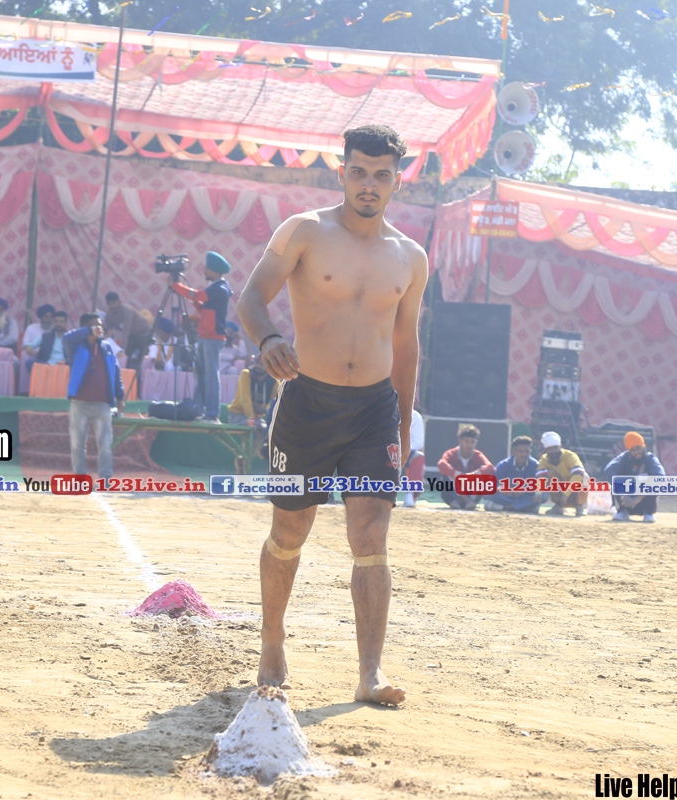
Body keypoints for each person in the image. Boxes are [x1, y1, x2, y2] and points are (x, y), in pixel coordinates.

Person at [236, 124, 425, 706]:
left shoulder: (411, 257)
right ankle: (272, 639)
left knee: (370, 534)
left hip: (374, 411)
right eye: (359, 172)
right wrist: (269, 339)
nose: (369, 184)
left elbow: (406, 346)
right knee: (289, 532)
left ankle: (370, 672)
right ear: (342, 172)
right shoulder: (305, 230)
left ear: (397, 181)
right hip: (306, 403)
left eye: (382, 175)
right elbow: (250, 297)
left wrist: (403, 425)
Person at [172, 252, 233, 422]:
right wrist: (190, 297)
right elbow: (203, 308)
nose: (204, 271)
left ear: (214, 270)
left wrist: (177, 286)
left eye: (207, 268)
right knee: (201, 375)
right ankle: (198, 411)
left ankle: (212, 414)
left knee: (211, 376)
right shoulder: (216, 288)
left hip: (213, 338)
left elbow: (198, 295)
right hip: (206, 337)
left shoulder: (220, 289)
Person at [65, 313, 125, 480]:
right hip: (79, 403)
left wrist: (120, 397)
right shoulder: (75, 345)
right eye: (95, 325)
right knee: (77, 445)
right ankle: (79, 479)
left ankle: (105, 479)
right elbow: (66, 337)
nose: (100, 328)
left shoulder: (107, 347)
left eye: (100, 325)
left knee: (105, 446)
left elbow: (116, 373)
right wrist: (88, 331)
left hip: (103, 404)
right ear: (86, 327)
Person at [600, 431, 665, 522]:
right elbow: (609, 469)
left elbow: (661, 477)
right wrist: (623, 494)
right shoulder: (624, 457)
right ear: (629, 451)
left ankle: (648, 513)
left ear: (644, 446)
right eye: (633, 450)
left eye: (638, 448)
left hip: (645, 498)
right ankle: (623, 511)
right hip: (627, 500)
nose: (636, 452)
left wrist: (639, 497)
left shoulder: (651, 459)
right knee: (618, 472)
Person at [436, 423, 495, 510]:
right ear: (460, 441)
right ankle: (465, 500)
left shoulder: (478, 455)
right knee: (447, 469)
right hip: (451, 497)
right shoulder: (451, 453)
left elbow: (490, 468)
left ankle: (460, 501)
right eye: (466, 441)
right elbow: (441, 464)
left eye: (472, 442)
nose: (469, 445)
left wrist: (473, 474)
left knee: (484, 473)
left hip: (471, 496)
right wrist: (458, 474)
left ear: (476, 442)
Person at [536, 431, 589, 517]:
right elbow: (541, 477)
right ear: (545, 450)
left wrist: (566, 494)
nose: (553, 451)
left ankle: (579, 507)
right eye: (550, 448)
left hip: (573, 494)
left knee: (584, 476)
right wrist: (538, 493)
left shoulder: (570, 456)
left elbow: (578, 473)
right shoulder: (544, 459)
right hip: (560, 497)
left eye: (555, 447)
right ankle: (558, 506)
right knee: (551, 472)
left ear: (560, 446)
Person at [486, 435, 543, 513]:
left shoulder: (535, 465)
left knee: (543, 495)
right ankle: (524, 507)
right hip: (507, 497)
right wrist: (500, 488)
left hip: (525, 496)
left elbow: (540, 484)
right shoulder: (504, 464)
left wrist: (525, 490)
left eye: (526, 451)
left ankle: (506, 507)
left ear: (530, 452)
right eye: (521, 451)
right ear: (514, 452)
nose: (524, 454)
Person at [103, 291, 153, 366]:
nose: (112, 305)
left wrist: (122, 350)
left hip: (144, 336)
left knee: (144, 360)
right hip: (131, 337)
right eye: (109, 303)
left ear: (119, 302)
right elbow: (107, 329)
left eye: (114, 302)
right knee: (125, 360)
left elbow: (126, 332)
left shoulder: (127, 310)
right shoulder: (109, 314)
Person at [401, 408, 425, 508]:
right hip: (384, 450)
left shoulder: (415, 416)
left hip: (405, 451)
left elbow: (418, 441)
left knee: (419, 457)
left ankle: (410, 495)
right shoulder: (385, 411)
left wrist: (403, 449)